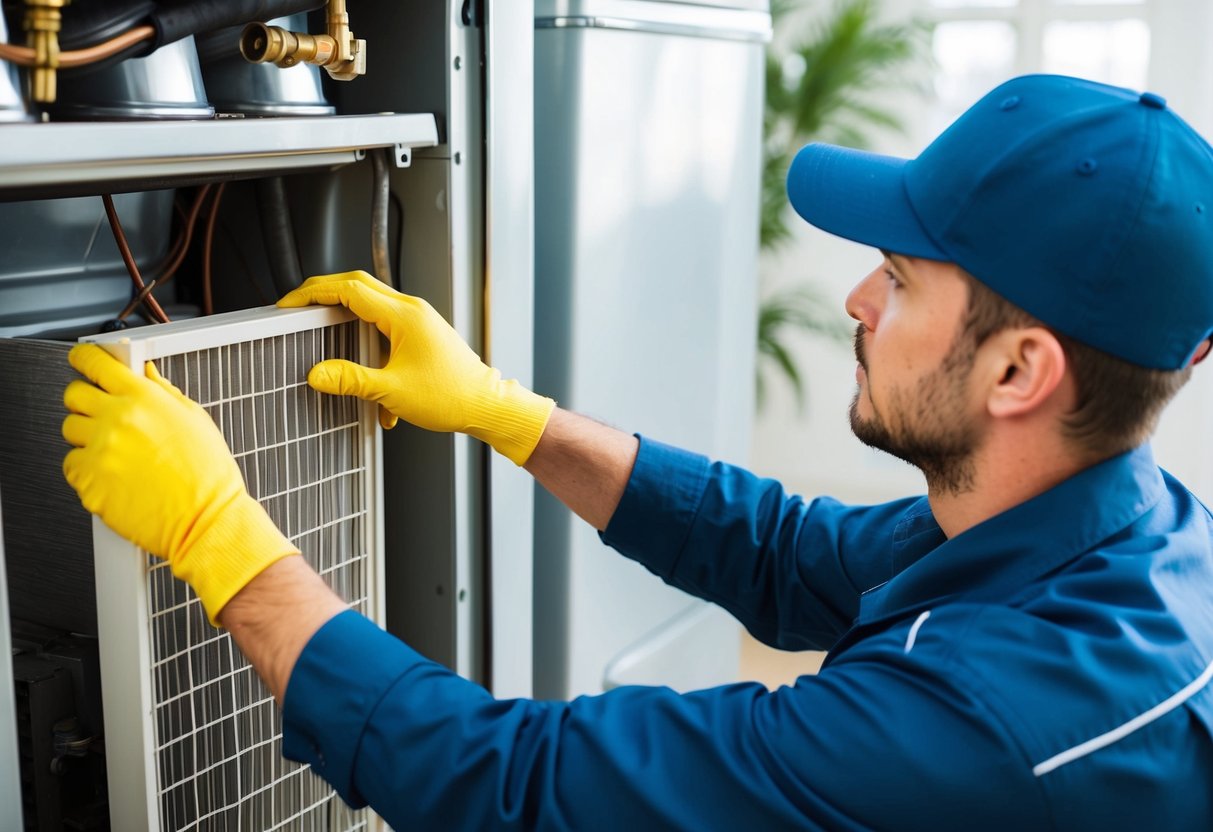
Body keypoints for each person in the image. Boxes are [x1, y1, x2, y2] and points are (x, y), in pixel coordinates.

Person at [60, 73, 1213, 830]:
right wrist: (506, 411)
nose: (857, 297)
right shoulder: (1111, 522)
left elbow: (521, 787)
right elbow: (783, 553)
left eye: (902, 280)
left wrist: (223, 539)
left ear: (1021, 372)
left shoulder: (979, 728)